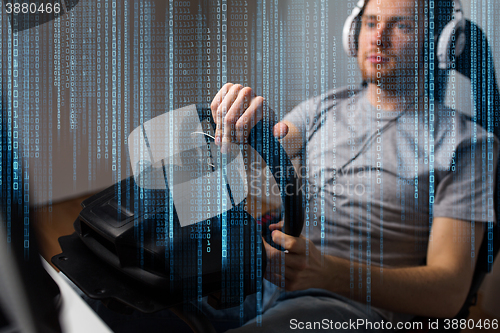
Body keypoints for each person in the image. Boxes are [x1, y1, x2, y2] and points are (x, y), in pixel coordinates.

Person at [209, 0, 498, 331]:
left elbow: (449, 293)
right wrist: (244, 125)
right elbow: (274, 143)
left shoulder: (466, 144)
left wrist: (331, 273)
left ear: (440, 42)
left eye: (401, 26)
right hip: (260, 283)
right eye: (371, 23)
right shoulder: (322, 107)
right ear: (354, 33)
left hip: (347, 308)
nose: (379, 38)